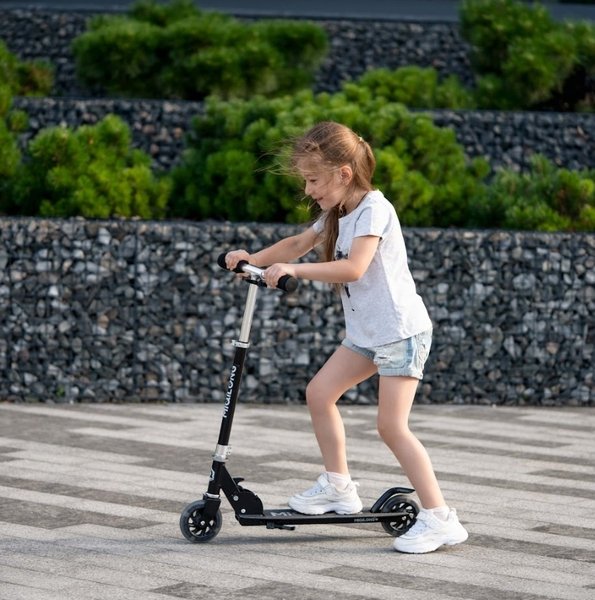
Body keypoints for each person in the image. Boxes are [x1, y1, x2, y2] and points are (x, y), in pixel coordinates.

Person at [224, 121, 468, 554]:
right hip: (368, 334)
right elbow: (297, 243)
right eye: (305, 181)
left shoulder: (374, 209)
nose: (308, 189)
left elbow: (354, 268)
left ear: (344, 173)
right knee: (319, 393)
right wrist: (251, 259)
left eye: (314, 180)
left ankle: (441, 518)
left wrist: (295, 271)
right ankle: (339, 487)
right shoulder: (337, 213)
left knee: (391, 426)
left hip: (399, 333)